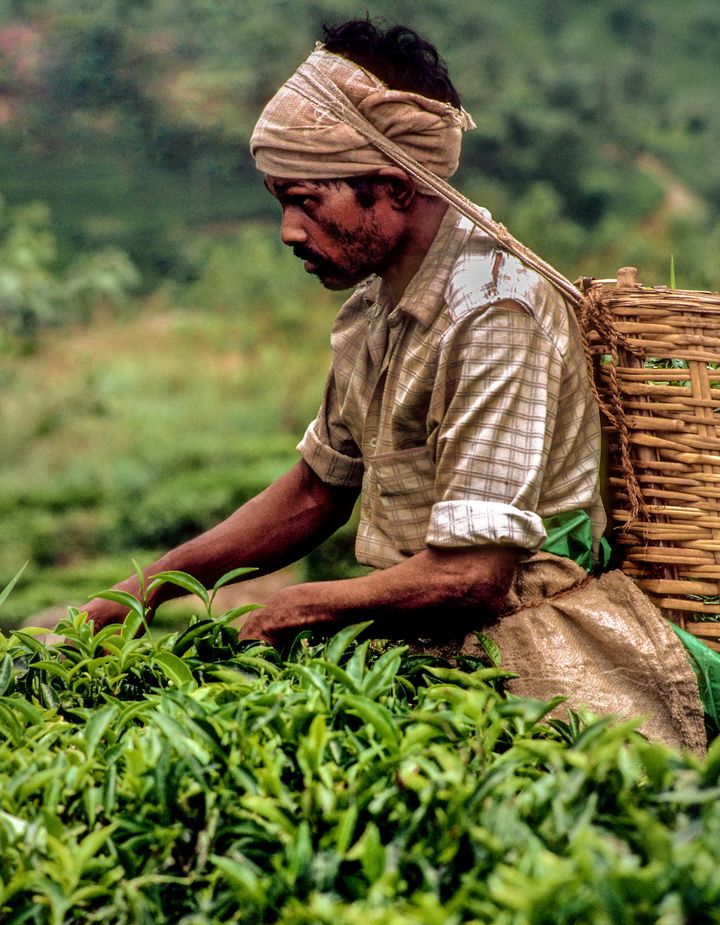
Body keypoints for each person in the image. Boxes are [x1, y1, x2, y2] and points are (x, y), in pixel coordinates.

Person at [77, 19, 705, 751]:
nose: (287, 230)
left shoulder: (496, 310)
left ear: (393, 189)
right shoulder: (372, 309)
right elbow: (318, 490)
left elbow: (472, 575)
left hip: (526, 662)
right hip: (411, 643)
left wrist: (294, 607)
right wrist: (143, 591)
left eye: (307, 200)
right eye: (281, 201)